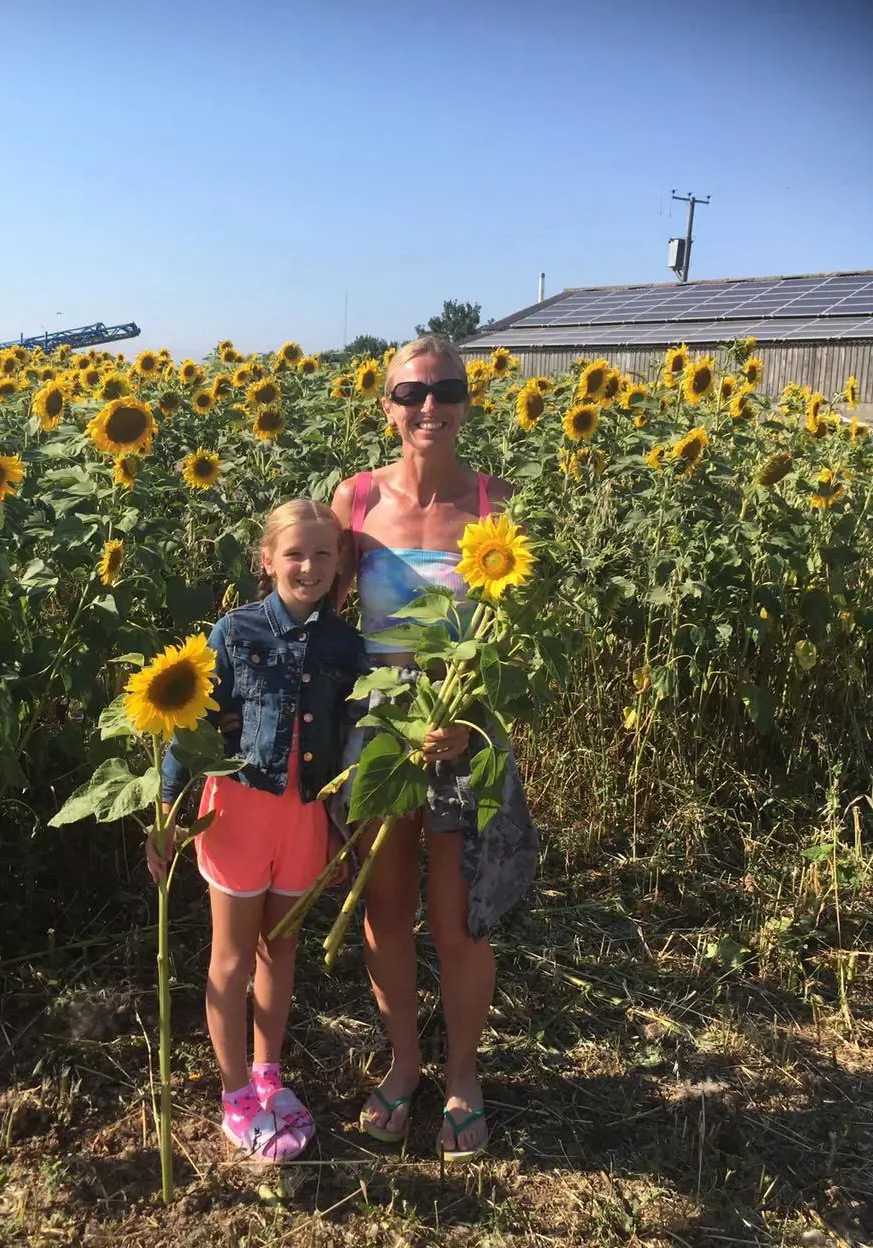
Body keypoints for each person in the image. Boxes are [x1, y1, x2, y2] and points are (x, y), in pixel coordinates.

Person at [330, 334, 539, 1162]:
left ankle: (461, 1076)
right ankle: (404, 1064)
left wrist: (473, 716)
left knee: (459, 924)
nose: (429, 407)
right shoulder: (354, 500)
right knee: (385, 914)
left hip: (463, 726)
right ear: (386, 405)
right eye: (411, 393)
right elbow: (322, 611)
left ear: (465, 402)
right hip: (379, 728)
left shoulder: (498, 503)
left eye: (445, 390)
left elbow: (516, 638)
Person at [152, 500, 365, 1163]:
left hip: (305, 817)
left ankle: (269, 1072)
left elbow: (352, 738)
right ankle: (236, 1092)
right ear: (267, 559)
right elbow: (188, 724)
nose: (309, 566)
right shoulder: (234, 631)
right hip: (239, 809)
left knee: (282, 949)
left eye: (323, 555)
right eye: (295, 554)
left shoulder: (344, 645)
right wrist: (166, 812)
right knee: (231, 955)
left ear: (339, 566)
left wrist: (350, 825)